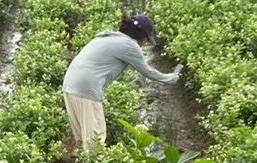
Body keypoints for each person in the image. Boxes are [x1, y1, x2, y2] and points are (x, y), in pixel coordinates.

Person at [62, 14, 182, 152]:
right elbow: (147, 71)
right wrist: (169, 78)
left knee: (83, 140)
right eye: (146, 40)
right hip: (87, 90)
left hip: (69, 86)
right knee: (96, 141)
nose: (144, 44)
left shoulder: (108, 37)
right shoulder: (129, 46)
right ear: (140, 36)